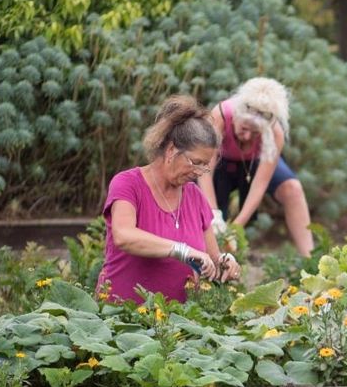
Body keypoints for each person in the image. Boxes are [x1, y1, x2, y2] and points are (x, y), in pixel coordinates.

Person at [98, 95, 239, 304]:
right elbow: (124, 236)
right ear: (172, 150)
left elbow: (211, 262)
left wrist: (226, 263)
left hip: (176, 326)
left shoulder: (195, 197)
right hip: (122, 320)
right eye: (196, 162)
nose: (200, 172)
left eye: (205, 166)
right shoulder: (128, 184)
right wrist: (181, 250)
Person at [199, 77, 314, 256]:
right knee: (188, 186)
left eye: (255, 133)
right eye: (244, 128)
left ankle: (311, 260)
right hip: (219, 164)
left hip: (255, 163)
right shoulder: (221, 114)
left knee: (293, 189)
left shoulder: (275, 133)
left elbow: (260, 184)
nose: (246, 137)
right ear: (237, 115)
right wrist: (213, 214)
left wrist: (235, 228)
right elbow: (204, 169)